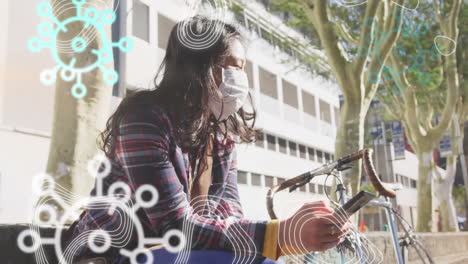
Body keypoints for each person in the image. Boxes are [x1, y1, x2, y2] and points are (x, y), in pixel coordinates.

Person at [64, 16, 351, 264]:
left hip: (178, 251)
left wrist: (295, 231)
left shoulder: (220, 131)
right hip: (116, 253)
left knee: (257, 258)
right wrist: (281, 233)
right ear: (195, 68)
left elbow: (228, 213)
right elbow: (173, 225)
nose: (239, 78)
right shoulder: (143, 120)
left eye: (242, 68)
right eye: (229, 67)